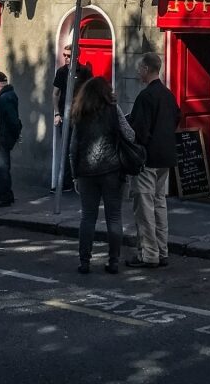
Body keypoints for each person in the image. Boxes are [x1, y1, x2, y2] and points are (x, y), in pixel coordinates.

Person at [70, 76, 135, 275]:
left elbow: (74, 147)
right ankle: (113, 261)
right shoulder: (114, 110)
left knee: (88, 217)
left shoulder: (79, 113)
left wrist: (74, 174)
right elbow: (130, 135)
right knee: (114, 217)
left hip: (86, 171)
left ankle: (84, 262)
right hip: (112, 170)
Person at [126, 52, 179, 269]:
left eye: (140, 68)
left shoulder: (145, 97)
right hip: (165, 156)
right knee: (159, 204)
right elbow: (177, 117)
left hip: (147, 159)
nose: (138, 71)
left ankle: (149, 254)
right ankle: (162, 249)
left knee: (145, 206)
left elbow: (139, 130)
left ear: (147, 69)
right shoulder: (168, 95)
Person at [53, 42, 92, 190]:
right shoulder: (61, 72)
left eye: (68, 56)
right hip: (65, 116)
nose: (65, 58)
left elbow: (91, 92)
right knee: (67, 148)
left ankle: (82, 180)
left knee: (81, 147)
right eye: (64, 55)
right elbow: (55, 94)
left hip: (81, 116)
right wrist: (57, 113)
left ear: (76, 57)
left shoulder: (84, 72)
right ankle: (66, 182)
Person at [0, 71, 22, 207]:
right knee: (2, 168)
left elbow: (12, 120)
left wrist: (13, 135)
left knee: (0, 168)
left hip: (2, 138)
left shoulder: (4, 98)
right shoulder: (8, 96)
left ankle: (3, 197)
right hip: (5, 137)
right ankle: (6, 195)